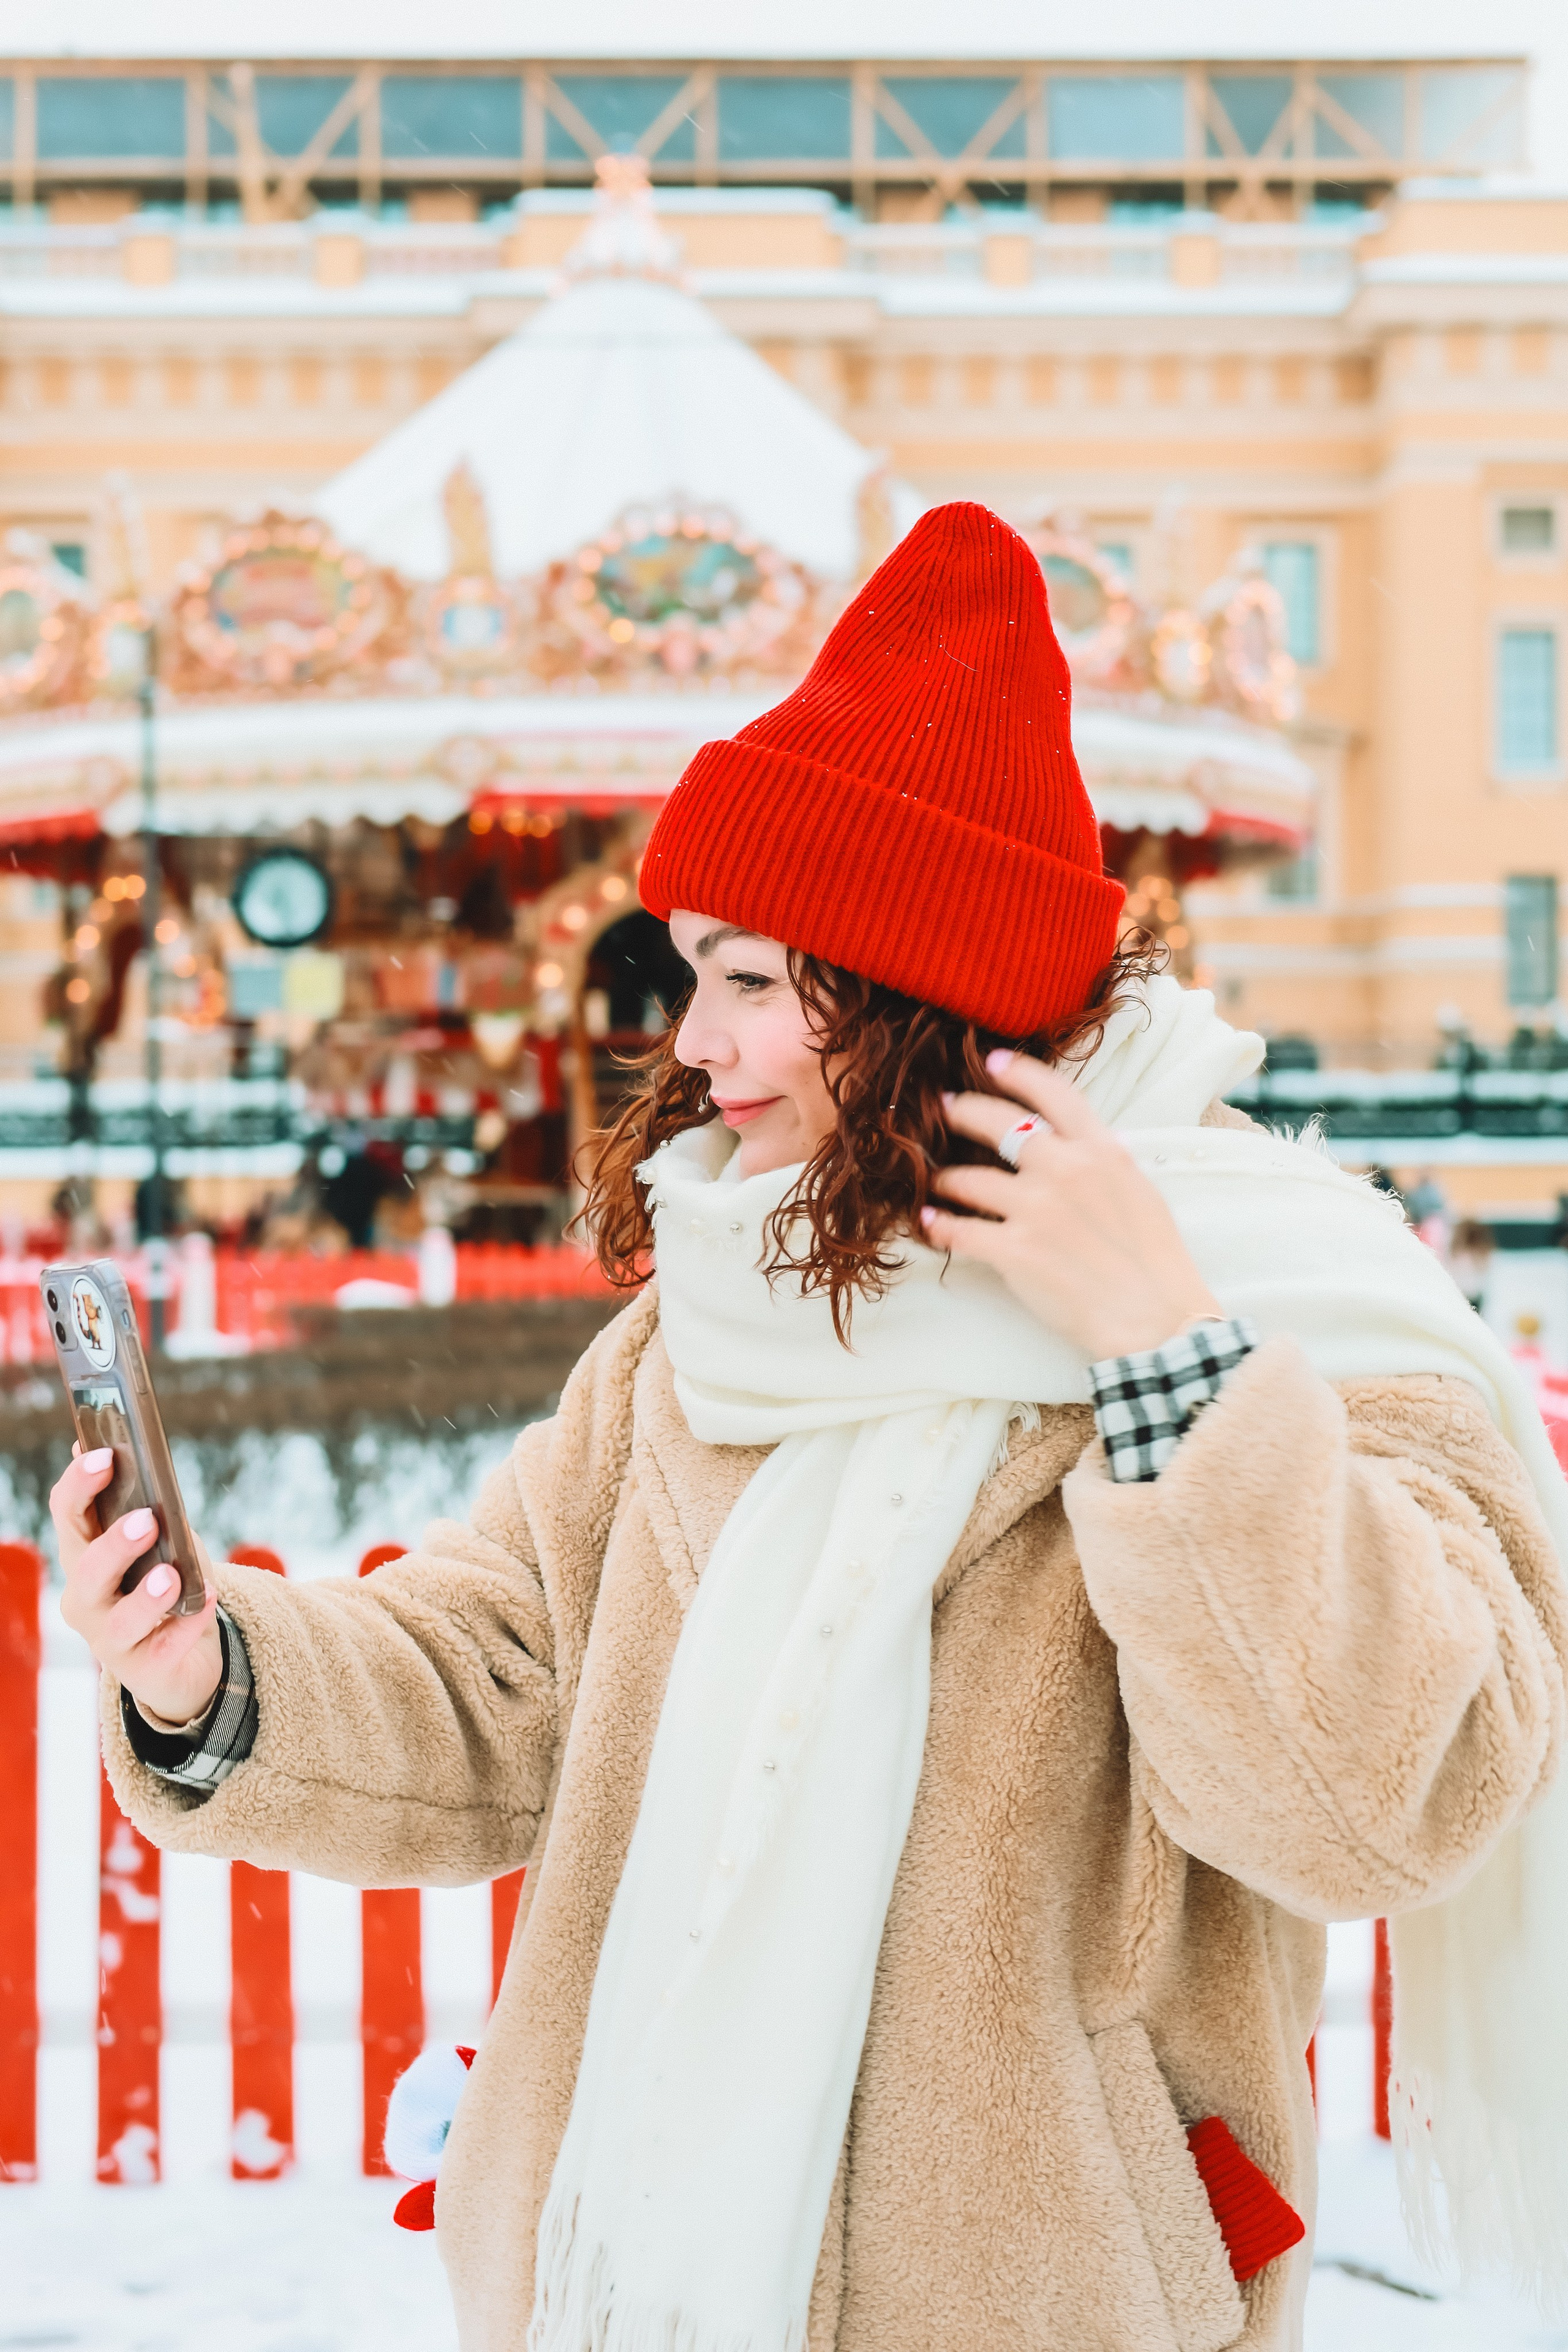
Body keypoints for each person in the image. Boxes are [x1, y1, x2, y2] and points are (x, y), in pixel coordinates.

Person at [53, 507, 1568, 2352]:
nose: (693, 1041)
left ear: (922, 992)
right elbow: (503, 1665)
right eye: (697, 972)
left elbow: (1388, 1805)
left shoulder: (1299, 1318)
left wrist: (1167, 1363)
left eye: (755, 981)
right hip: (641, 2291)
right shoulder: (717, 1324)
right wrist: (209, 1672)